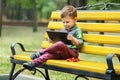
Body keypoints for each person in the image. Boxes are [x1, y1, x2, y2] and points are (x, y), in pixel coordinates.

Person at [23, 5, 84, 70]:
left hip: (72, 53)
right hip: (62, 53)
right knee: (48, 54)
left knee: (60, 44)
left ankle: (40, 52)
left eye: (67, 22)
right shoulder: (63, 30)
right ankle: (33, 64)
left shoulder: (77, 30)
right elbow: (59, 43)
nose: (65, 24)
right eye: (63, 22)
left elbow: (80, 44)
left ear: (75, 19)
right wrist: (52, 40)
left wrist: (73, 39)